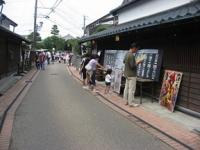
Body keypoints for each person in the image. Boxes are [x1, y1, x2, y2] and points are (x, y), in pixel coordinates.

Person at [123, 42, 143, 107]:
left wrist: (133, 62)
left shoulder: (126, 54)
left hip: (126, 73)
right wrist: (138, 62)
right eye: (136, 49)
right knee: (131, 89)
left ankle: (126, 101)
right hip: (132, 75)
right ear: (134, 48)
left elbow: (124, 61)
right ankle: (131, 103)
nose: (136, 51)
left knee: (126, 88)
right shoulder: (131, 55)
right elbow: (132, 66)